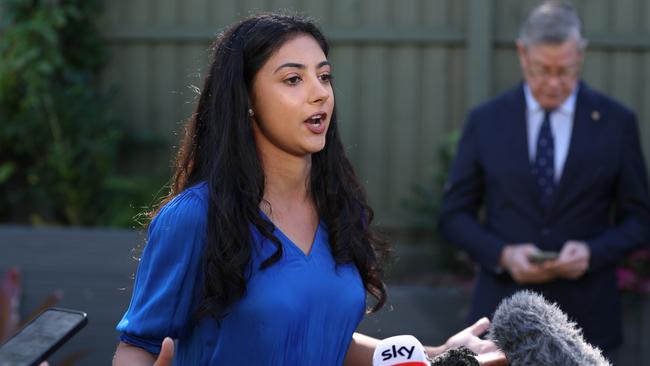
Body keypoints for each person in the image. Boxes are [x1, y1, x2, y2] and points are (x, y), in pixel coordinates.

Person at [112, 13, 505, 365]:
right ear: (247, 98)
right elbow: (138, 345)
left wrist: (434, 357)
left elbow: (322, 337)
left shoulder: (336, 207)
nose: (319, 92)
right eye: (293, 79)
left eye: (324, 75)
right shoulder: (195, 216)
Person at [439, 0, 650, 362]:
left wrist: (591, 253)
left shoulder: (617, 122)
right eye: (541, 70)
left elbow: (640, 219)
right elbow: (453, 217)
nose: (553, 83)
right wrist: (503, 255)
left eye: (565, 71)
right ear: (523, 54)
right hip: (501, 322)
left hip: (589, 325)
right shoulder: (485, 121)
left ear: (580, 56)